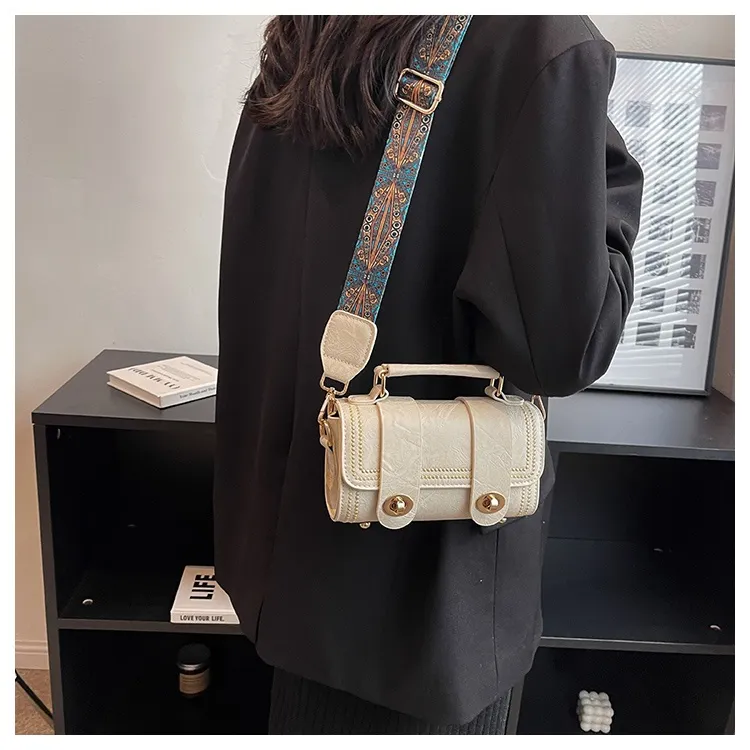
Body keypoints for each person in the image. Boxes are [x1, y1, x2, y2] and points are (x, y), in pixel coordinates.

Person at [213, 15, 643, 735]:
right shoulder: (540, 41)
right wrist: (611, 192)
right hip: (428, 611)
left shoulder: (311, 29)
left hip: (291, 566)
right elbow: (562, 350)